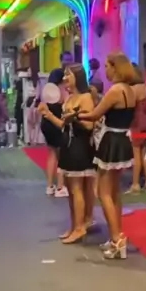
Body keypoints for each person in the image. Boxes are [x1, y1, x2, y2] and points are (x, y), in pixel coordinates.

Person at [80, 52, 136, 260]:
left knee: (103, 192)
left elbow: (95, 114)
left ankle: (116, 239)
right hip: (122, 140)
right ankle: (117, 235)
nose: (105, 69)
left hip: (111, 140)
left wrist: (75, 115)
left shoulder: (115, 90)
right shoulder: (130, 90)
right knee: (114, 192)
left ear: (115, 67)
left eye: (107, 65)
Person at [39, 64, 96, 244]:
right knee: (71, 190)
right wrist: (48, 114)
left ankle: (80, 227)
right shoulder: (70, 98)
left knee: (77, 188)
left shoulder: (86, 98)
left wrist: (75, 118)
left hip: (80, 147)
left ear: (77, 77)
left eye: (68, 75)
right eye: (64, 75)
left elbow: (90, 125)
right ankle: (74, 225)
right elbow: (64, 125)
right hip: (67, 145)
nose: (65, 79)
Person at [39, 68, 69, 198]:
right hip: (57, 124)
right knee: (62, 155)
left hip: (46, 124)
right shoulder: (62, 91)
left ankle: (50, 186)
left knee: (51, 154)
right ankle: (61, 187)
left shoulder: (47, 90)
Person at [127, 64, 146, 193]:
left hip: (136, 124)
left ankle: (135, 184)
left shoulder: (133, 90)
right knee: (144, 155)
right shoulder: (144, 87)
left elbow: (129, 106)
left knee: (136, 155)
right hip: (145, 123)